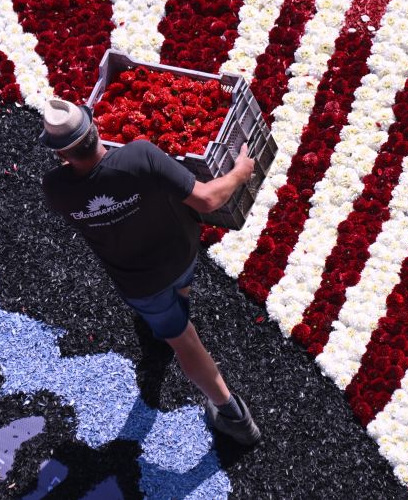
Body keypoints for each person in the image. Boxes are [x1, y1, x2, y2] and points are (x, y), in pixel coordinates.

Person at [39, 97, 262, 445]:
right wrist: (239, 173)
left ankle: (232, 413)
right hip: (182, 254)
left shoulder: (55, 189)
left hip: (142, 283)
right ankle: (231, 415)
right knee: (180, 315)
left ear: (60, 154)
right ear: (95, 128)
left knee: (184, 341)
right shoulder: (139, 156)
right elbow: (206, 200)